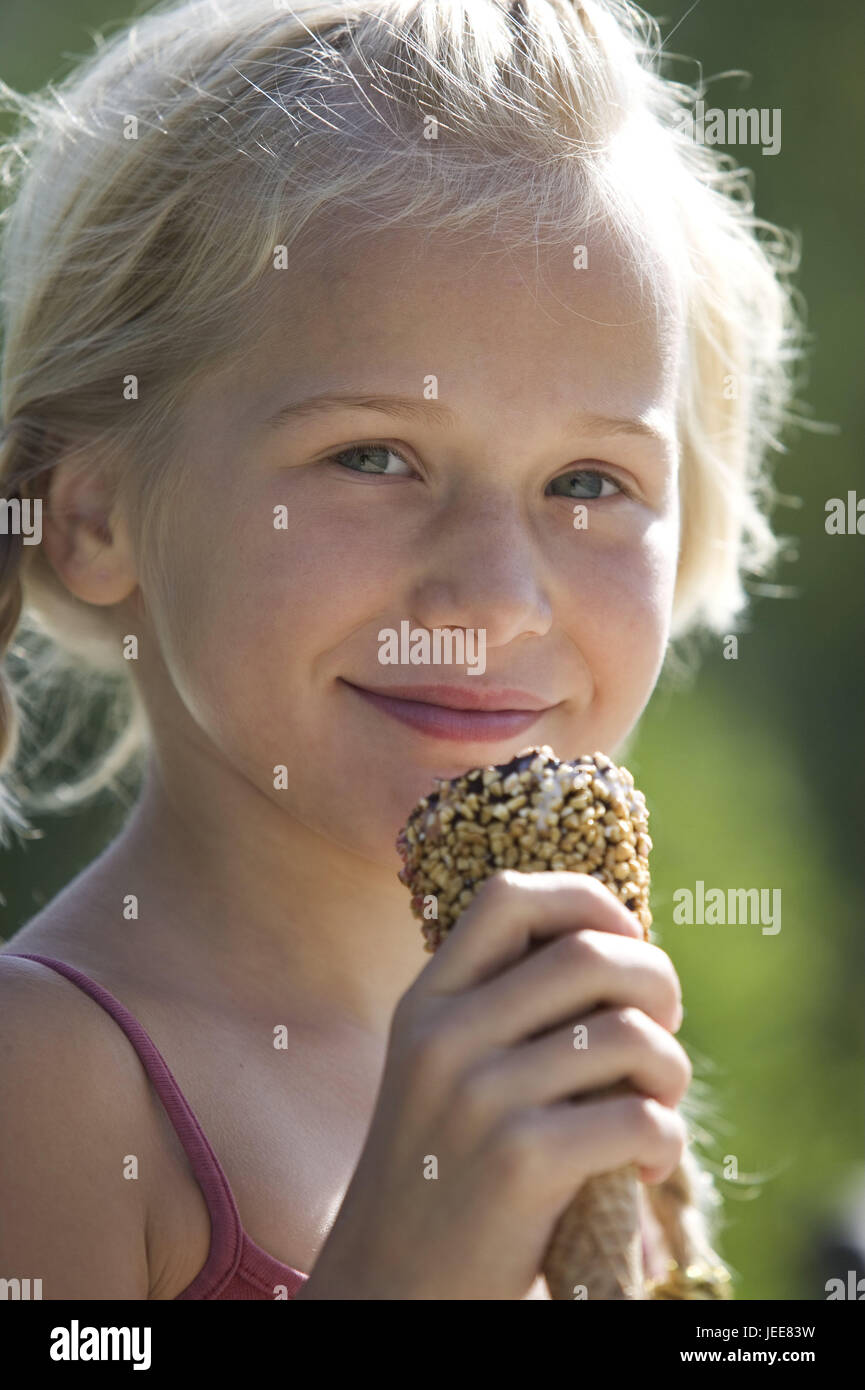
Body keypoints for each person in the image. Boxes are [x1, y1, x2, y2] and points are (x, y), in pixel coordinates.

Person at [0, 0, 802, 1299]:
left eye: (589, 479)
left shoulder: (590, 1094)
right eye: (371, 456)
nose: (491, 598)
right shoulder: (46, 1086)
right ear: (99, 515)